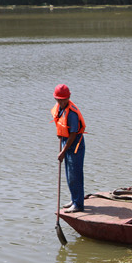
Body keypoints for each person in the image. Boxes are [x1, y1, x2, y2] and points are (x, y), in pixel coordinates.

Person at [51, 83, 86, 213]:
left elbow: (73, 135)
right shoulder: (60, 108)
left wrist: (63, 151)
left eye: (62, 99)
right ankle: (74, 199)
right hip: (66, 142)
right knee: (69, 174)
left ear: (68, 98)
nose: (60, 101)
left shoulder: (72, 114)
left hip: (75, 145)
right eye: (58, 99)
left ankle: (78, 204)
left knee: (75, 175)